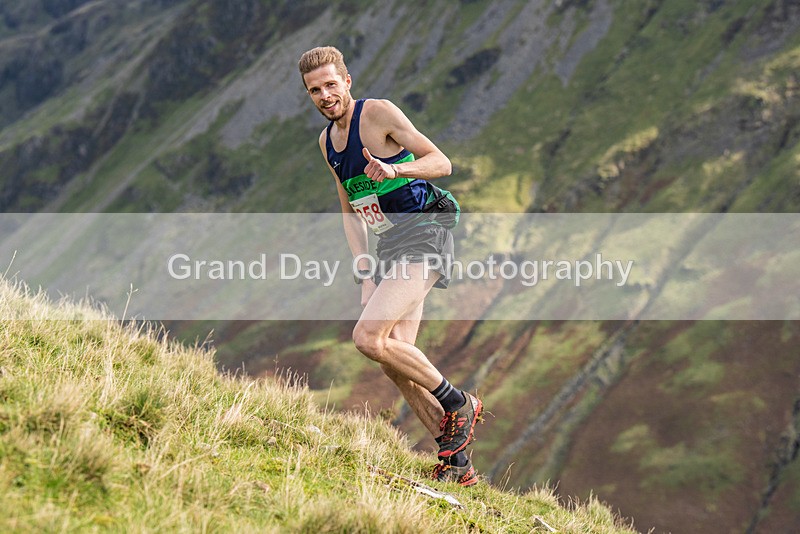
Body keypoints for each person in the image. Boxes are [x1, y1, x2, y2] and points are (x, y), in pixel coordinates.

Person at [298, 46, 483, 486]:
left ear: (347, 81)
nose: (325, 96)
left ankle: (458, 402)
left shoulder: (378, 113)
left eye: (330, 85)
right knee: (395, 360)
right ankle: (457, 464)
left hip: (425, 232)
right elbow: (349, 209)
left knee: (367, 337)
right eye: (314, 90)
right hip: (390, 247)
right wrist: (364, 272)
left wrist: (396, 170)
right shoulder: (327, 143)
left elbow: (442, 162)